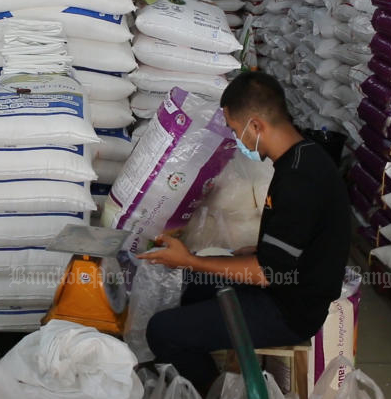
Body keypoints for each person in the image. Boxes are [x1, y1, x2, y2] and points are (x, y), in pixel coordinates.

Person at [140, 71, 350, 392]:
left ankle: (213, 390)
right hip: (285, 283)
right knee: (189, 287)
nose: (237, 139)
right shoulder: (303, 156)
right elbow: (303, 239)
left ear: (256, 126)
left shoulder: (298, 181)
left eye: (236, 130)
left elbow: (266, 274)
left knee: (161, 330)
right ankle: (198, 362)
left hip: (289, 310)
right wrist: (257, 250)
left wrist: (188, 260)